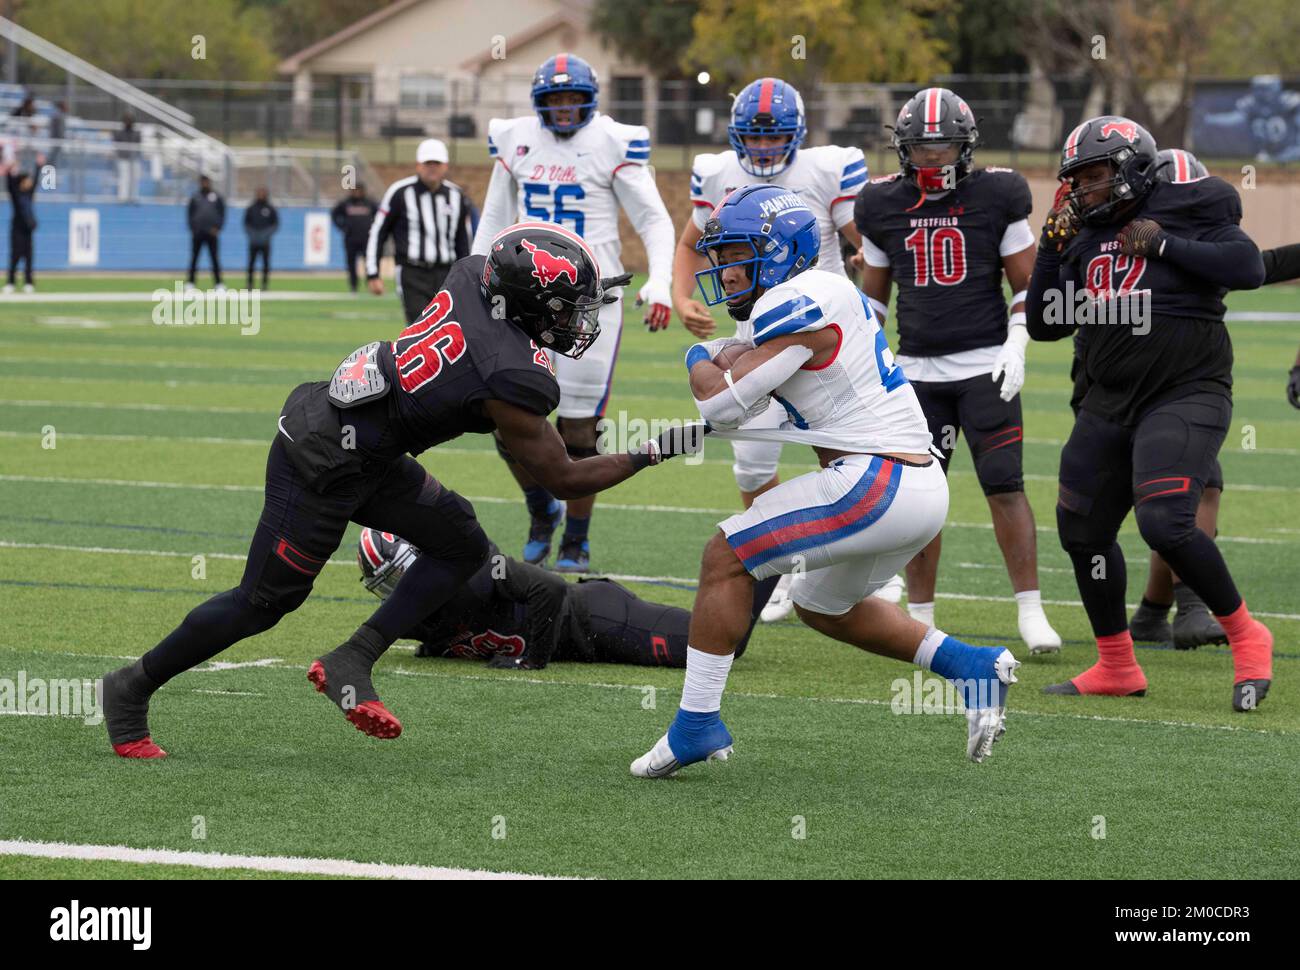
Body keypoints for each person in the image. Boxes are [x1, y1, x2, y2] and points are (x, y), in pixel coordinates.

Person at [99, 223, 703, 759]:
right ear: (528, 305)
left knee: (461, 542)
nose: (578, 321)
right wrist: (653, 450)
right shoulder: (511, 374)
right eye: (568, 308)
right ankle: (131, 687)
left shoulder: (472, 274)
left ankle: (352, 657)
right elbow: (565, 476)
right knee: (262, 603)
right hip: (322, 460)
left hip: (370, 444)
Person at [631, 184, 1021, 779]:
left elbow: (720, 404)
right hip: (914, 486)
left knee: (725, 555)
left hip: (877, 481)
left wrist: (697, 359)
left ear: (780, 252)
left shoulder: (793, 301)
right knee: (821, 605)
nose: (723, 271)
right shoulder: (821, 294)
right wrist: (723, 364)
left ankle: (695, 723)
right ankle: (972, 665)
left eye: (736, 255)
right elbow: (752, 400)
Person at [1026, 116, 1271, 712]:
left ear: (1134, 166)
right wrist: (1050, 250)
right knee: (1080, 529)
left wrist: (1162, 242)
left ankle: (1248, 637)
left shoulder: (1189, 203)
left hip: (1186, 389)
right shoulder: (1082, 234)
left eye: (1096, 175)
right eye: (1076, 179)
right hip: (1110, 401)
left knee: (1164, 521)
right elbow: (1045, 324)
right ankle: (1116, 664)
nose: (1084, 189)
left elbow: (1249, 270)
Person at [854, 87, 1061, 655]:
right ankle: (920, 615)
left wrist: (1017, 342)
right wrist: (870, 359)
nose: (933, 158)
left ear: (966, 148)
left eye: (944, 147)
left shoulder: (998, 194)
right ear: (903, 149)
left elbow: (1027, 286)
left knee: (1005, 485)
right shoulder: (879, 204)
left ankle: (1030, 607)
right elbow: (872, 302)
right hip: (916, 374)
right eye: (922, 148)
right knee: (921, 498)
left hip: (984, 367)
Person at [674, 76, 877, 621]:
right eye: (754, 137)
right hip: (756, 325)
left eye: (774, 136)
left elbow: (861, 239)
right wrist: (679, 293)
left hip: (816, 324)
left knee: (845, 448)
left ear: (797, 133)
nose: (763, 147)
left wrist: (867, 280)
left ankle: (875, 572)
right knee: (751, 464)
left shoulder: (826, 167)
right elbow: (692, 242)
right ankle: (787, 565)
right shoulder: (718, 172)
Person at [472, 53, 676, 574]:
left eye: (572, 99)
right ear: (540, 103)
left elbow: (653, 218)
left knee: (579, 431)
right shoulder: (515, 138)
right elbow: (495, 214)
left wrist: (660, 282)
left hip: (591, 298)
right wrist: (477, 275)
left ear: (590, 100)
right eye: (554, 100)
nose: (564, 109)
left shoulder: (614, 140)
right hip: (523, 295)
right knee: (503, 416)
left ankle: (576, 541)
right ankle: (542, 509)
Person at [356, 529, 778, 668]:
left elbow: (551, 588)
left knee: (724, 648)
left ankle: (776, 548)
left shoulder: (478, 570)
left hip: (595, 618)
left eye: (398, 577)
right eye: (385, 584)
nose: (396, 593)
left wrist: (531, 660)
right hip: (583, 642)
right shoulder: (414, 622)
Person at [365, 139, 473, 323]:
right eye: (427, 163)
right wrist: (373, 272)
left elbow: (463, 239)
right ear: (418, 165)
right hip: (412, 272)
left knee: (450, 326)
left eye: (436, 163)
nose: (432, 168)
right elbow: (379, 232)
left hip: (447, 273)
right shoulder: (400, 192)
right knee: (419, 327)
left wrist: (468, 275)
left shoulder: (456, 195)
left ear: (445, 166)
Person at [3, 157, 41, 294]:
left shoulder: (29, 194)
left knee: (29, 257)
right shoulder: (16, 195)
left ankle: (28, 282)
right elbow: (9, 185)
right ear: (22, 182)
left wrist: (38, 166)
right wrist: (9, 170)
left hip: (27, 230)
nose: (29, 182)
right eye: (27, 180)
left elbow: (36, 181)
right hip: (16, 230)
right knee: (14, 256)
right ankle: (10, 282)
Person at [332, 183, 377, 292]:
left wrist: (374, 228)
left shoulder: (370, 203)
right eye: (354, 190)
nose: (356, 193)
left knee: (369, 263)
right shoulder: (346, 203)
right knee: (351, 264)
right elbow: (334, 214)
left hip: (367, 239)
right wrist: (343, 227)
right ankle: (353, 286)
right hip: (350, 239)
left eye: (359, 190)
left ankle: (370, 285)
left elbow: (379, 216)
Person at [186, 174, 225, 290]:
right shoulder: (195, 197)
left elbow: (222, 214)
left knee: (214, 259)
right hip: (198, 233)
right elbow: (190, 214)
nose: (204, 184)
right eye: (202, 182)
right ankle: (190, 283)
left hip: (212, 233)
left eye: (206, 182)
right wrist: (193, 229)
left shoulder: (216, 197)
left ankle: (218, 284)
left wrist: (217, 228)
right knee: (194, 258)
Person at [243, 186, 279, 290]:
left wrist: (266, 234)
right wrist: (252, 234)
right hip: (253, 240)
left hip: (265, 241)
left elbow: (275, 224)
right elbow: (246, 223)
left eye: (263, 193)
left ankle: (264, 284)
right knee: (251, 263)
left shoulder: (270, 208)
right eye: (259, 193)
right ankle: (250, 284)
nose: (261, 195)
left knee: (266, 264)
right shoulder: (251, 208)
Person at [113, 112, 142, 202]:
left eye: (130, 121)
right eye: (126, 121)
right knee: (124, 178)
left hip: (134, 159)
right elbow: (117, 145)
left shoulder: (137, 134)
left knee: (135, 178)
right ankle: (123, 197)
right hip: (123, 159)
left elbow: (138, 144)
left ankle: (134, 197)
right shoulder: (119, 133)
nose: (128, 122)